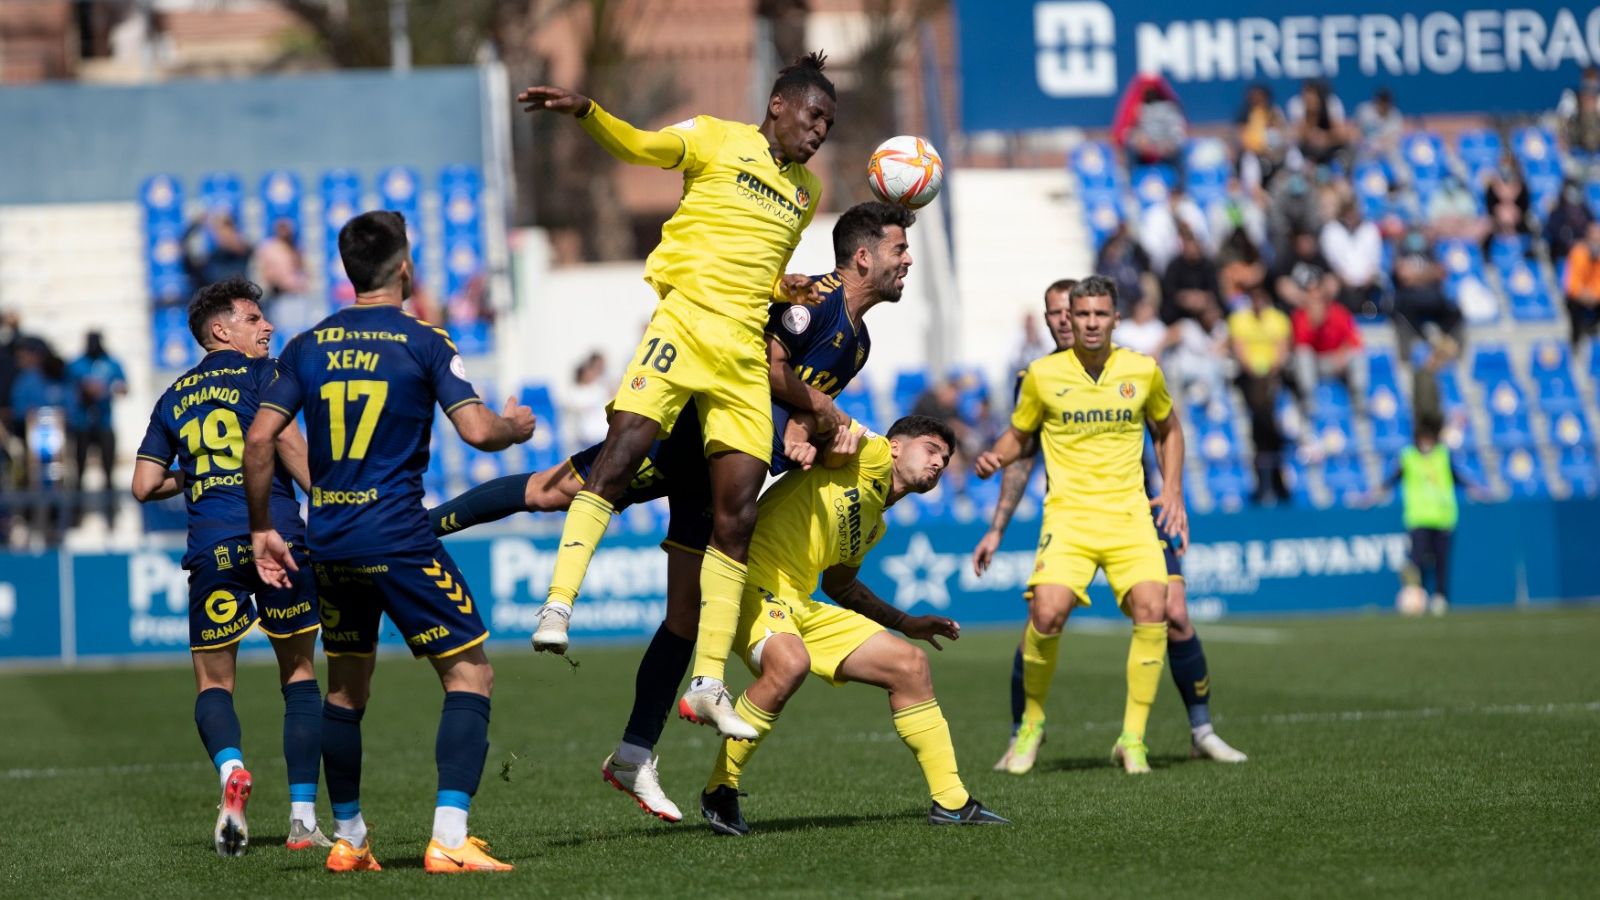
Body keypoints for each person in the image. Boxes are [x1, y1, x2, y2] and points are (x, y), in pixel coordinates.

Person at [425, 202, 915, 821]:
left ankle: (633, 755)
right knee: (552, 491)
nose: (908, 261)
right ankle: (420, 527)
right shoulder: (811, 301)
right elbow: (758, 365)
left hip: (724, 474)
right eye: (899, 249)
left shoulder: (858, 343)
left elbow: (797, 411)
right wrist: (820, 412)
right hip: (682, 436)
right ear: (863, 257)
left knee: (684, 617)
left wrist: (817, 435)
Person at [515, 53, 835, 738]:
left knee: (736, 516)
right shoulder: (716, 137)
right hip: (683, 326)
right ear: (778, 104)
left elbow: (759, 267)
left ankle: (709, 681)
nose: (818, 133)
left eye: (827, 127)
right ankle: (558, 603)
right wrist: (587, 111)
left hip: (742, 356)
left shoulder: (806, 192)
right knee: (621, 456)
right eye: (813, 117)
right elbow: (641, 146)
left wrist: (786, 287)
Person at [244, 211, 537, 873]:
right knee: (470, 675)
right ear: (404, 267)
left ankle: (349, 839)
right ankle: (450, 838)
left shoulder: (306, 345)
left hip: (331, 540)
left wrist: (263, 527)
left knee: (346, 691)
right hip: (399, 537)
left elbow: (260, 439)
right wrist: (515, 427)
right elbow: (478, 432)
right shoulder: (423, 340)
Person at [974, 281, 1243, 775]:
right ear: (1062, 319)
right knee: (1045, 613)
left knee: (1165, 609)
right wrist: (996, 463)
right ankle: (1027, 726)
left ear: (1115, 318)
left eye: (1097, 313)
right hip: (1070, 517)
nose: (1084, 321)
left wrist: (1174, 491)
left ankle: (1155, 736)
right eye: (1075, 314)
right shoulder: (1039, 376)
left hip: (1133, 514)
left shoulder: (1142, 370)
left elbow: (1168, 428)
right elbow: (1020, 441)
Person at [698, 415, 1008, 833]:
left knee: (909, 666)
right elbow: (824, 414)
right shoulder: (871, 453)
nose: (939, 462)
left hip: (800, 603)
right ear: (896, 446)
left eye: (946, 459)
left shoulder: (874, 525)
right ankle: (721, 788)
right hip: (748, 583)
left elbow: (840, 585)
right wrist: (810, 437)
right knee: (789, 664)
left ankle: (952, 802)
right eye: (931, 449)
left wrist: (906, 622)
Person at [129, 278, 327, 857]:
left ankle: (231, 769)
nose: (268, 326)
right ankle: (302, 821)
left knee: (214, 684)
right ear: (221, 329)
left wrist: (194, 473)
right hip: (278, 540)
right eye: (254, 318)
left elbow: (143, 485)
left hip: (213, 547)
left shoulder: (173, 397)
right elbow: (289, 446)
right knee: (299, 676)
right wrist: (331, 504)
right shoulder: (267, 376)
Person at [1366, 414, 1483, 616]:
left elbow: (1458, 478)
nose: (1426, 442)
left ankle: (1440, 597)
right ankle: (1413, 595)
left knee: (1441, 561)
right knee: (1416, 561)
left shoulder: (1442, 455)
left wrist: (1478, 491)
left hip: (1443, 518)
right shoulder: (1408, 457)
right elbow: (1391, 480)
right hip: (1419, 518)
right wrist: (1369, 497)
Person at [1229, 282, 1291, 504]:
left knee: (1265, 418)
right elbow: (1240, 350)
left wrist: (1269, 371)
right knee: (1261, 416)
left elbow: (1282, 350)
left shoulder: (1278, 319)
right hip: (1250, 378)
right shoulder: (1239, 320)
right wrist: (1255, 372)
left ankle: (1274, 479)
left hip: (1272, 378)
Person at [65, 331, 127, 523]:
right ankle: (77, 512)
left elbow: (124, 387)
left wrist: (106, 389)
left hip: (104, 422)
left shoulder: (111, 363)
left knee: (108, 469)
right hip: (82, 423)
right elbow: (66, 389)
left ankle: (110, 512)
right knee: (79, 469)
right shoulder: (76, 364)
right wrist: (83, 390)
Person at [1290, 267, 1364, 399]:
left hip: (1336, 360)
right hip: (1315, 362)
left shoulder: (1339, 312)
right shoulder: (1300, 316)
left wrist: (1341, 353)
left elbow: (1354, 339)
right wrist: (1313, 325)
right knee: (1302, 355)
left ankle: (1359, 400)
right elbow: (1300, 344)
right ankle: (1309, 400)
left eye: (1317, 290)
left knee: (1357, 354)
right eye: (1309, 292)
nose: (1314, 295)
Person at [1391, 235, 1464, 364]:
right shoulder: (1400, 250)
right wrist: (1428, 274)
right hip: (1408, 299)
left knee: (1455, 310)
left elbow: (1441, 272)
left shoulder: (1430, 251)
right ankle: (1427, 340)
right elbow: (1404, 276)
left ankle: (1443, 342)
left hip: (1434, 297)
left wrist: (1416, 276)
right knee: (1403, 312)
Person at [253, 220, 319, 338]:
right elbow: (260, 272)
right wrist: (270, 285)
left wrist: (301, 284)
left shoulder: (297, 248)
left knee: (298, 331)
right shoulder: (268, 248)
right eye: (282, 228)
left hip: (297, 295)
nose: (285, 232)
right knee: (281, 331)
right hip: (277, 296)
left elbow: (308, 271)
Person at [1320, 199, 1384, 315]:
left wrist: (1368, 278)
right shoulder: (1331, 230)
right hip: (1342, 283)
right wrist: (1343, 278)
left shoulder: (1370, 229)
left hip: (1367, 283)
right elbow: (1331, 260)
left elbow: (1375, 258)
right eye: (1349, 212)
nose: (1352, 216)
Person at [1159, 224, 1220, 324]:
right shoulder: (1174, 266)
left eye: (1195, 246)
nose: (1192, 250)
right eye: (1189, 246)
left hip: (1204, 309)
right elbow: (1169, 290)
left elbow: (1215, 289)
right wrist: (1185, 298)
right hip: (1180, 313)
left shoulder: (1208, 265)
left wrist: (1202, 297)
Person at [1236, 83, 1289, 191]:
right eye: (1254, 97)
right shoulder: (1246, 115)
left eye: (1260, 96)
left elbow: (1283, 134)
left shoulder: (1274, 112)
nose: (1257, 100)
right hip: (1255, 155)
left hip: (1275, 154)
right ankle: (1256, 192)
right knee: (1249, 160)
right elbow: (1242, 139)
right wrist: (1261, 149)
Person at [1286, 79, 1349, 169]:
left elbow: (1341, 134)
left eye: (1313, 94)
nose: (1308, 97)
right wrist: (1312, 114)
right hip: (1305, 149)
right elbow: (1297, 132)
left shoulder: (1332, 102)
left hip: (1329, 148)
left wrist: (1325, 138)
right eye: (1306, 93)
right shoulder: (1296, 103)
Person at [562, 351, 611, 449]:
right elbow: (577, 407)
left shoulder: (598, 388)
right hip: (586, 436)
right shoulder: (574, 391)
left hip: (603, 434)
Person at [1563, 221, 1600, 348]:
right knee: (1573, 306)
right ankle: (1575, 342)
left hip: (1595, 297)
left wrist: (1595, 295)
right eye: (1594, 238)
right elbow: (1572, 283)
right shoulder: (1577, 253)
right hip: (1579, 297)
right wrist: (1583, 295)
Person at [1544, 181, 1595, 263]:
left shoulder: (1585, 211)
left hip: (1587, 251)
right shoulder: (1558, 213)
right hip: (1565, 254)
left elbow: (1593, 227)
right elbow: (1558, 236)